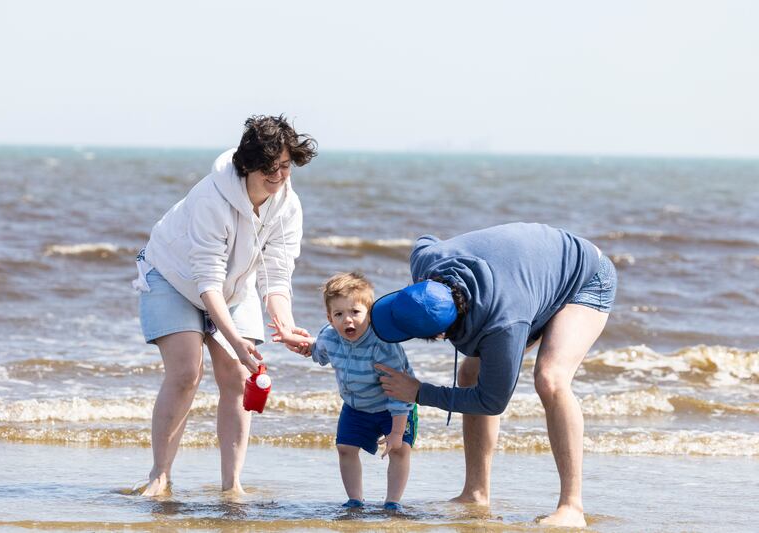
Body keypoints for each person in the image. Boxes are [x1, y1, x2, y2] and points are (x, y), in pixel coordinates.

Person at [370, 222, 617, 528]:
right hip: (530, 275)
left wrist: (419, 392)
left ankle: (572, 506)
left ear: (444, 333)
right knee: (470, 372)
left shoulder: (504, 323)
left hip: (585, 278)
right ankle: (475, 492)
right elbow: (426, 238)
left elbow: (492, 401)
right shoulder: (427, 261)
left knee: (550, 379)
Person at [132, 115, 317, 496]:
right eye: (270, 167)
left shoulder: (288, 206)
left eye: (285, 166)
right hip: (171, 275)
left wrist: (284, 325)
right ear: (248, 163)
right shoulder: (211, 198)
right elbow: (207, 282)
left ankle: (231, 485)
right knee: (186, 371)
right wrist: (234, 340)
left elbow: (277, 276)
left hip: (233, 286)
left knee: (236, 376)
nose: (279, 176)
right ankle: (159, 475)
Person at [270, 272, 418, 511]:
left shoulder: (383, 345)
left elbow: (399, 391)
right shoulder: (330, 336)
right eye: (339, 314)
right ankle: (355, 500)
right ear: (329, 318)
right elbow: (319, 351)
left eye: (355, 312)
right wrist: (299, 343)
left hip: (395, 405)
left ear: (369, 314)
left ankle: (392, 502)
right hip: (356, 406)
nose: (348, 320)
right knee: (345, 448)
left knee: (399, 449)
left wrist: (397, 431)